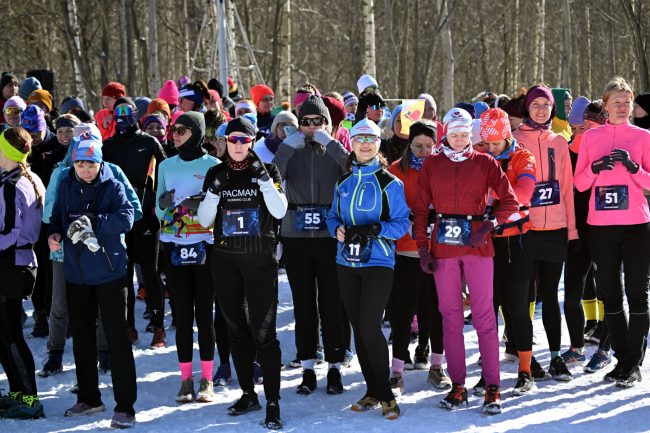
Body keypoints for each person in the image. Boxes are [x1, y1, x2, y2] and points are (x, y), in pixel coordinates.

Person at [413, 108, 519, 414]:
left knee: (485, 316)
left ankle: (492, 386)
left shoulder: (484, 162)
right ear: (446, 133)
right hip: (443, 246)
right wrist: (423, 248)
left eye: (464, 134)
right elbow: (421, 210)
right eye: (454, 133)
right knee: (450, 316)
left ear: (470, 135)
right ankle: (458, 385)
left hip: (477, 246)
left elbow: (510, 200)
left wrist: (487, 226)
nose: (459, 139)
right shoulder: (432, 164)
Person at [197, 117, 287, 429]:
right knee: (235, 328)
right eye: (232, 139)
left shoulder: (267, 170)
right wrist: (213, 192)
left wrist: (263, 181)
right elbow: (205, 219)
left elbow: (279, 211)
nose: (237, 145)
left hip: (259, 261)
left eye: (243, 140)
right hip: (225, 261)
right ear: (224, 141)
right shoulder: (215, 172)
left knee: (264, 333)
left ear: (251, 142)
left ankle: (273, 400)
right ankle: (249, 393)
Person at [47, 125, 137, 428]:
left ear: (100, 163)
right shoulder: (66, 183)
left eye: (90, 163)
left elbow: (127, 218)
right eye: (80, 163)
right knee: (82, 338)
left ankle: (125, 405)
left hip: (110, 273)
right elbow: (57, 215)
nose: (85, 169)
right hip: (77, 274)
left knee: (116, 339)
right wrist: (55, 233)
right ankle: (89, 397)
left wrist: (95, 221)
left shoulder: (112, 184)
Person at [326, 118, 409, 420]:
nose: (364, 144)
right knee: (358, 329)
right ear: (352, 144)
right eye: (359, 138)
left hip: (378, 262)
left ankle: (386, 394)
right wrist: (335, 229)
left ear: (378, 144)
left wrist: (377, 229)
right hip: (345, 262)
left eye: (370, 139)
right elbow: (332, 216)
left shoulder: (390, 183)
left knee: (371, 326)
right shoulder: (343, 182)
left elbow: (402, 224)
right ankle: (372, 390)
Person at [574, 77, 650, 387]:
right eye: (615, 102)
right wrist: (595, 169)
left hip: (636, 226)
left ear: (632, 106)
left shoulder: (644, 136)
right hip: (602, 227)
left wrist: (634, 168)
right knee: (610, 294)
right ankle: (622, 358)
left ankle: (632, 363)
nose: (621, 107)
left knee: (638, 294)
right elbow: (579, 183)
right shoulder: (592, 138)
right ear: (605, 106)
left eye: (626, 102)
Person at [273, 95, 349, 396]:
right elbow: (273, 177)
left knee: (332, 304)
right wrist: (288, 146)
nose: (311, 127)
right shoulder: (291, 150)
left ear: (328, 125)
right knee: (303, 304)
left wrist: (329, 142)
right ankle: (307, 366)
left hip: (330, 236)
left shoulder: (334, 149)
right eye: (306, 122)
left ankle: (334, 366)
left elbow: (352, 167)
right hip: (296, 236)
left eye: (318, 122)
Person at [513, 84, 578, 381]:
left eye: (546, 104)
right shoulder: (514, 141)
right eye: (535, 104)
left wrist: (572, 230)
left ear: (553, 108)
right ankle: (523, 356)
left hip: (554, 228)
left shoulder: (559, 142)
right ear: (527, 107)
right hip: (524, 230)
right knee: (524, 296)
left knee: (551, 296)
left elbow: (567, 189)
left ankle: (555, 357)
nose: (541, 109)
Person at [154, 112, 220, 402]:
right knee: (182, 317)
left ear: (196, 132)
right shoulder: (167, 165)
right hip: (174, 247)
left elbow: (222, 210)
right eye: (173, 130)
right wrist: (165, 204)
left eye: (182, 130)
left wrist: (202, 203)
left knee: (205, 316)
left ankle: (206, 379)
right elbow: (157, 211)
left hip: (206, 246)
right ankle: (185, 380)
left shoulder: (214, 165)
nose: (175, 134)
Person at [387, 120, 450, 394]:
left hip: (438, 250)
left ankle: (437, 366)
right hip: (406, 250)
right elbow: (389, 209)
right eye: (418, 146)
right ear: (408, 145)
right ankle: (397, 370)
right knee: (403, 312)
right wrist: (412, 216)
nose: (424, 151)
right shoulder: (395, 171)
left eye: (429, 146)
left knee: (436, 309)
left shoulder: (444, 168)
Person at [481, 108, 538, 395]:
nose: (491, 149)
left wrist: (492, 200)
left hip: (516, 244)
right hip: (486, 245)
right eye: (487, 143)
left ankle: (525, 370)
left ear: (507, 136)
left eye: (496, 143)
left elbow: (523, 195)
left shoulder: (523, 157)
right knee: (487, 311)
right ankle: (487, 373)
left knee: (517, 310)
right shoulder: (480, 156)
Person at [103, 97, 167, 348]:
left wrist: (158, 204)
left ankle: (158, 325)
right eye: (117, 113)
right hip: (120, 216)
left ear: (135, 115)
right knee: (124, 273)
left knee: (150, 271)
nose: (122, 118)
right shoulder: (108, 145)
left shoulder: (149, 142)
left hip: (147, 216)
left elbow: (165, 173)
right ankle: (128, 326)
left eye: (127, 112)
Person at [563, 99, 612, 373]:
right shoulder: (566, 152)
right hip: (576, 231)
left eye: (590, 126)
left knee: (608, 293)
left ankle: (605, 348)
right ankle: (576, 347)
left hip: (605, 230)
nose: (584, 132)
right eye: (580, 127)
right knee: (572, 293)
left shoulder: (608, 152)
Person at [0, 127, 45, 419]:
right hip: (18, 262)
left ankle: (30, 399)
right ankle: (17, 391)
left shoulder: (13, 183)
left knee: (10, 334)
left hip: (12, 264)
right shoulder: (23, 176)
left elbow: (10, 230)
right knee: (5, 333)